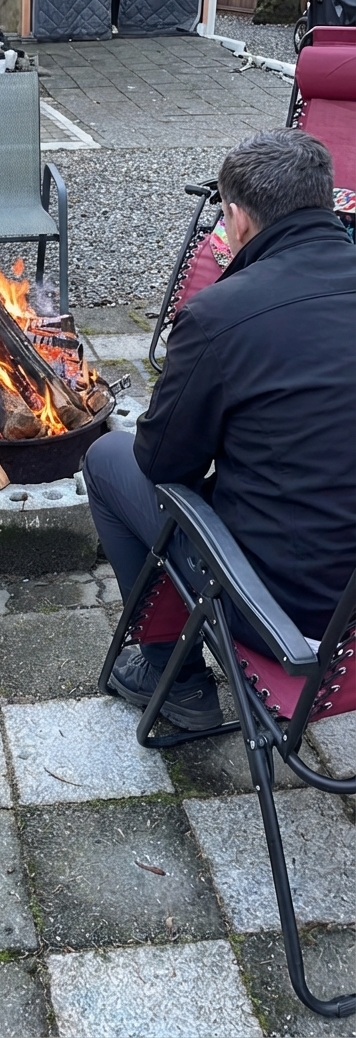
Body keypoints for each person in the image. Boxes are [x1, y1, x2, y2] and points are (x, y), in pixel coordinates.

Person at [83, 128, 356, 730]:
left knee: (109, 459)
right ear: (329, 200)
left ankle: (174, 679)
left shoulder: (222, 313)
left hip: (293, 611)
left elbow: (163, 465)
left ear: (236, 219)